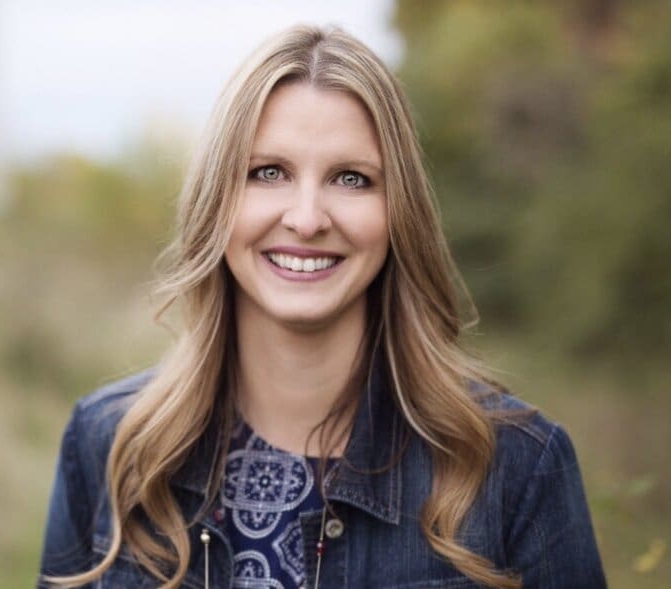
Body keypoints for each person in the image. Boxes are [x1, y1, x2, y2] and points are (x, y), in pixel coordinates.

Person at [37, 25, 606, 589]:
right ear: (217, 203)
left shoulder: (516, 466)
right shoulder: (109, 445)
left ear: (397, 213)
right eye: (268, 173)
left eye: (351, 179)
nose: (307, 219)